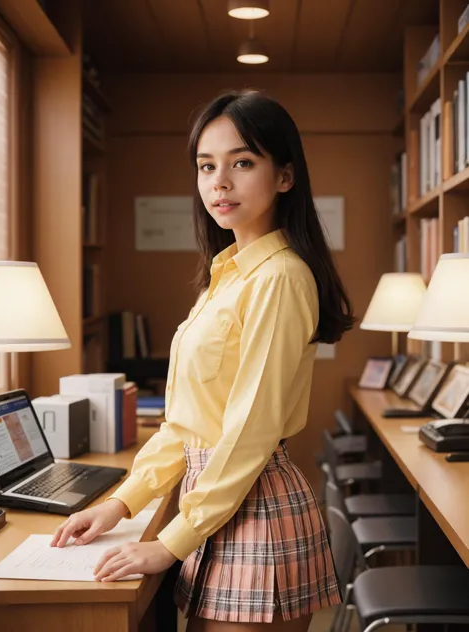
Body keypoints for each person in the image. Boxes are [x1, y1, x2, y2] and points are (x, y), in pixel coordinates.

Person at [51, 90, 355, 631]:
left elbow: (251, 432)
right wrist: (120, 504)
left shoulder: (280, 277)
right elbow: (185, 427)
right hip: (216, 506)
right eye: (206, 166)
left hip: (255, 509)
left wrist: (170, 543)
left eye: (242, 162)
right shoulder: (225, 275)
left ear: (285, 176)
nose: (220, 181)